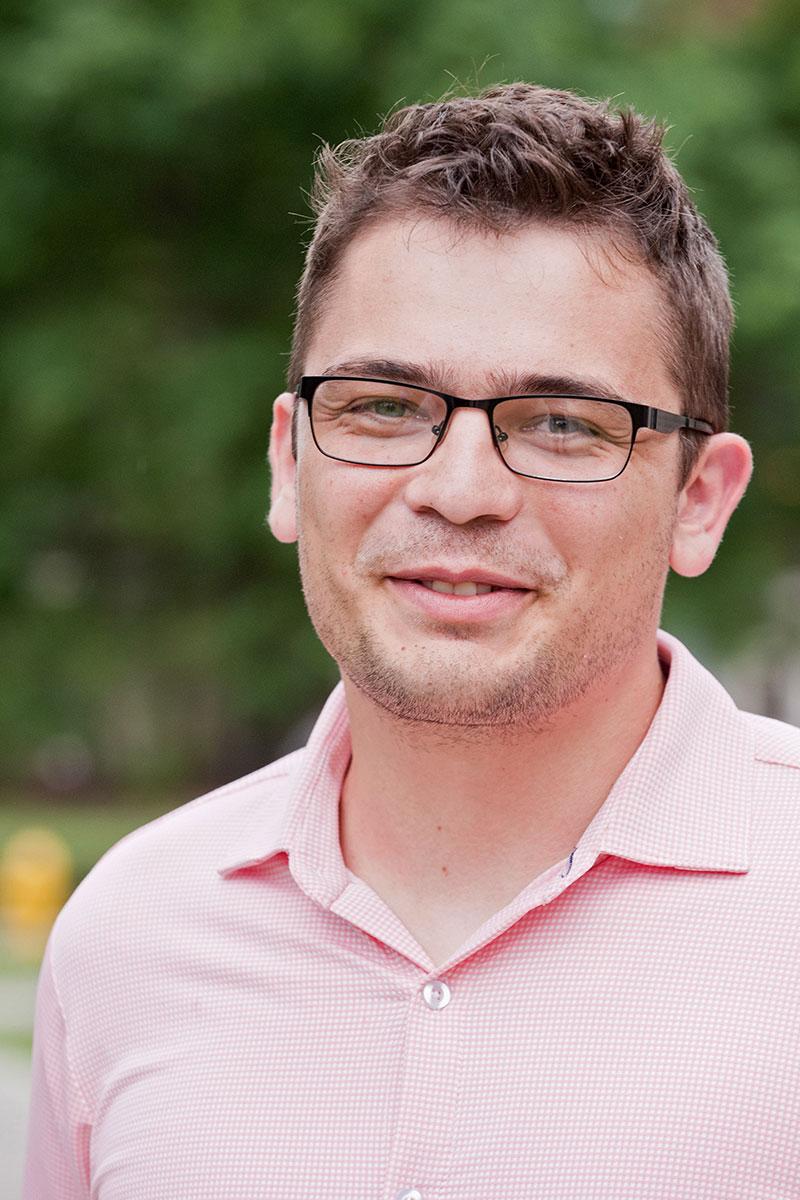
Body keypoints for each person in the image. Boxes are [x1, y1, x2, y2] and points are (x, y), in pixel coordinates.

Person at [24, 83, 800, 1199]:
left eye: (563, 423)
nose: (460, 490)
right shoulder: (129, 934)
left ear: (699, 500)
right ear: (289, 461)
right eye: (384, 407)